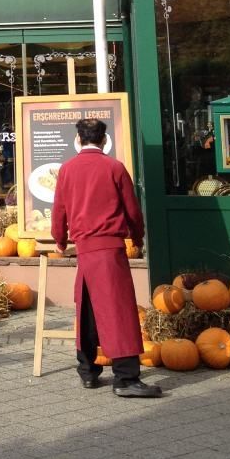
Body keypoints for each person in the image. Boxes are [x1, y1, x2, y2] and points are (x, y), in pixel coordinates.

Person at [51, 118, 162, 399]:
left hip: (85, 249)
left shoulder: (66, 169)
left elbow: (59, 210)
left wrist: (60, 241)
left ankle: (87, 372)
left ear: (78, 139)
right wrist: (138, 237)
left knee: (87, 310)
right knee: (118, 311)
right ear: (104, 141)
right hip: (110, 249)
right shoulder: (114, 167)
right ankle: (125, 378)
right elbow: (132, 210)